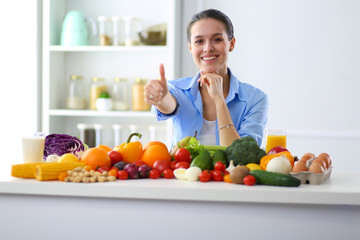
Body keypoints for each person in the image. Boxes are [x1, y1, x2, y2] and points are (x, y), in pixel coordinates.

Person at [144, 9, 268, 147]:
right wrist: (161, 98)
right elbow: (169, 105)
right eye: (199, 41)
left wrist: (219, 100)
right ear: (190, 47)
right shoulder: (176, 89)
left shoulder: (255, 99)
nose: (208, 48)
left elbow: (241, 156)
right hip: (182, 169)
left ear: (231, 44)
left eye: (217, 39)